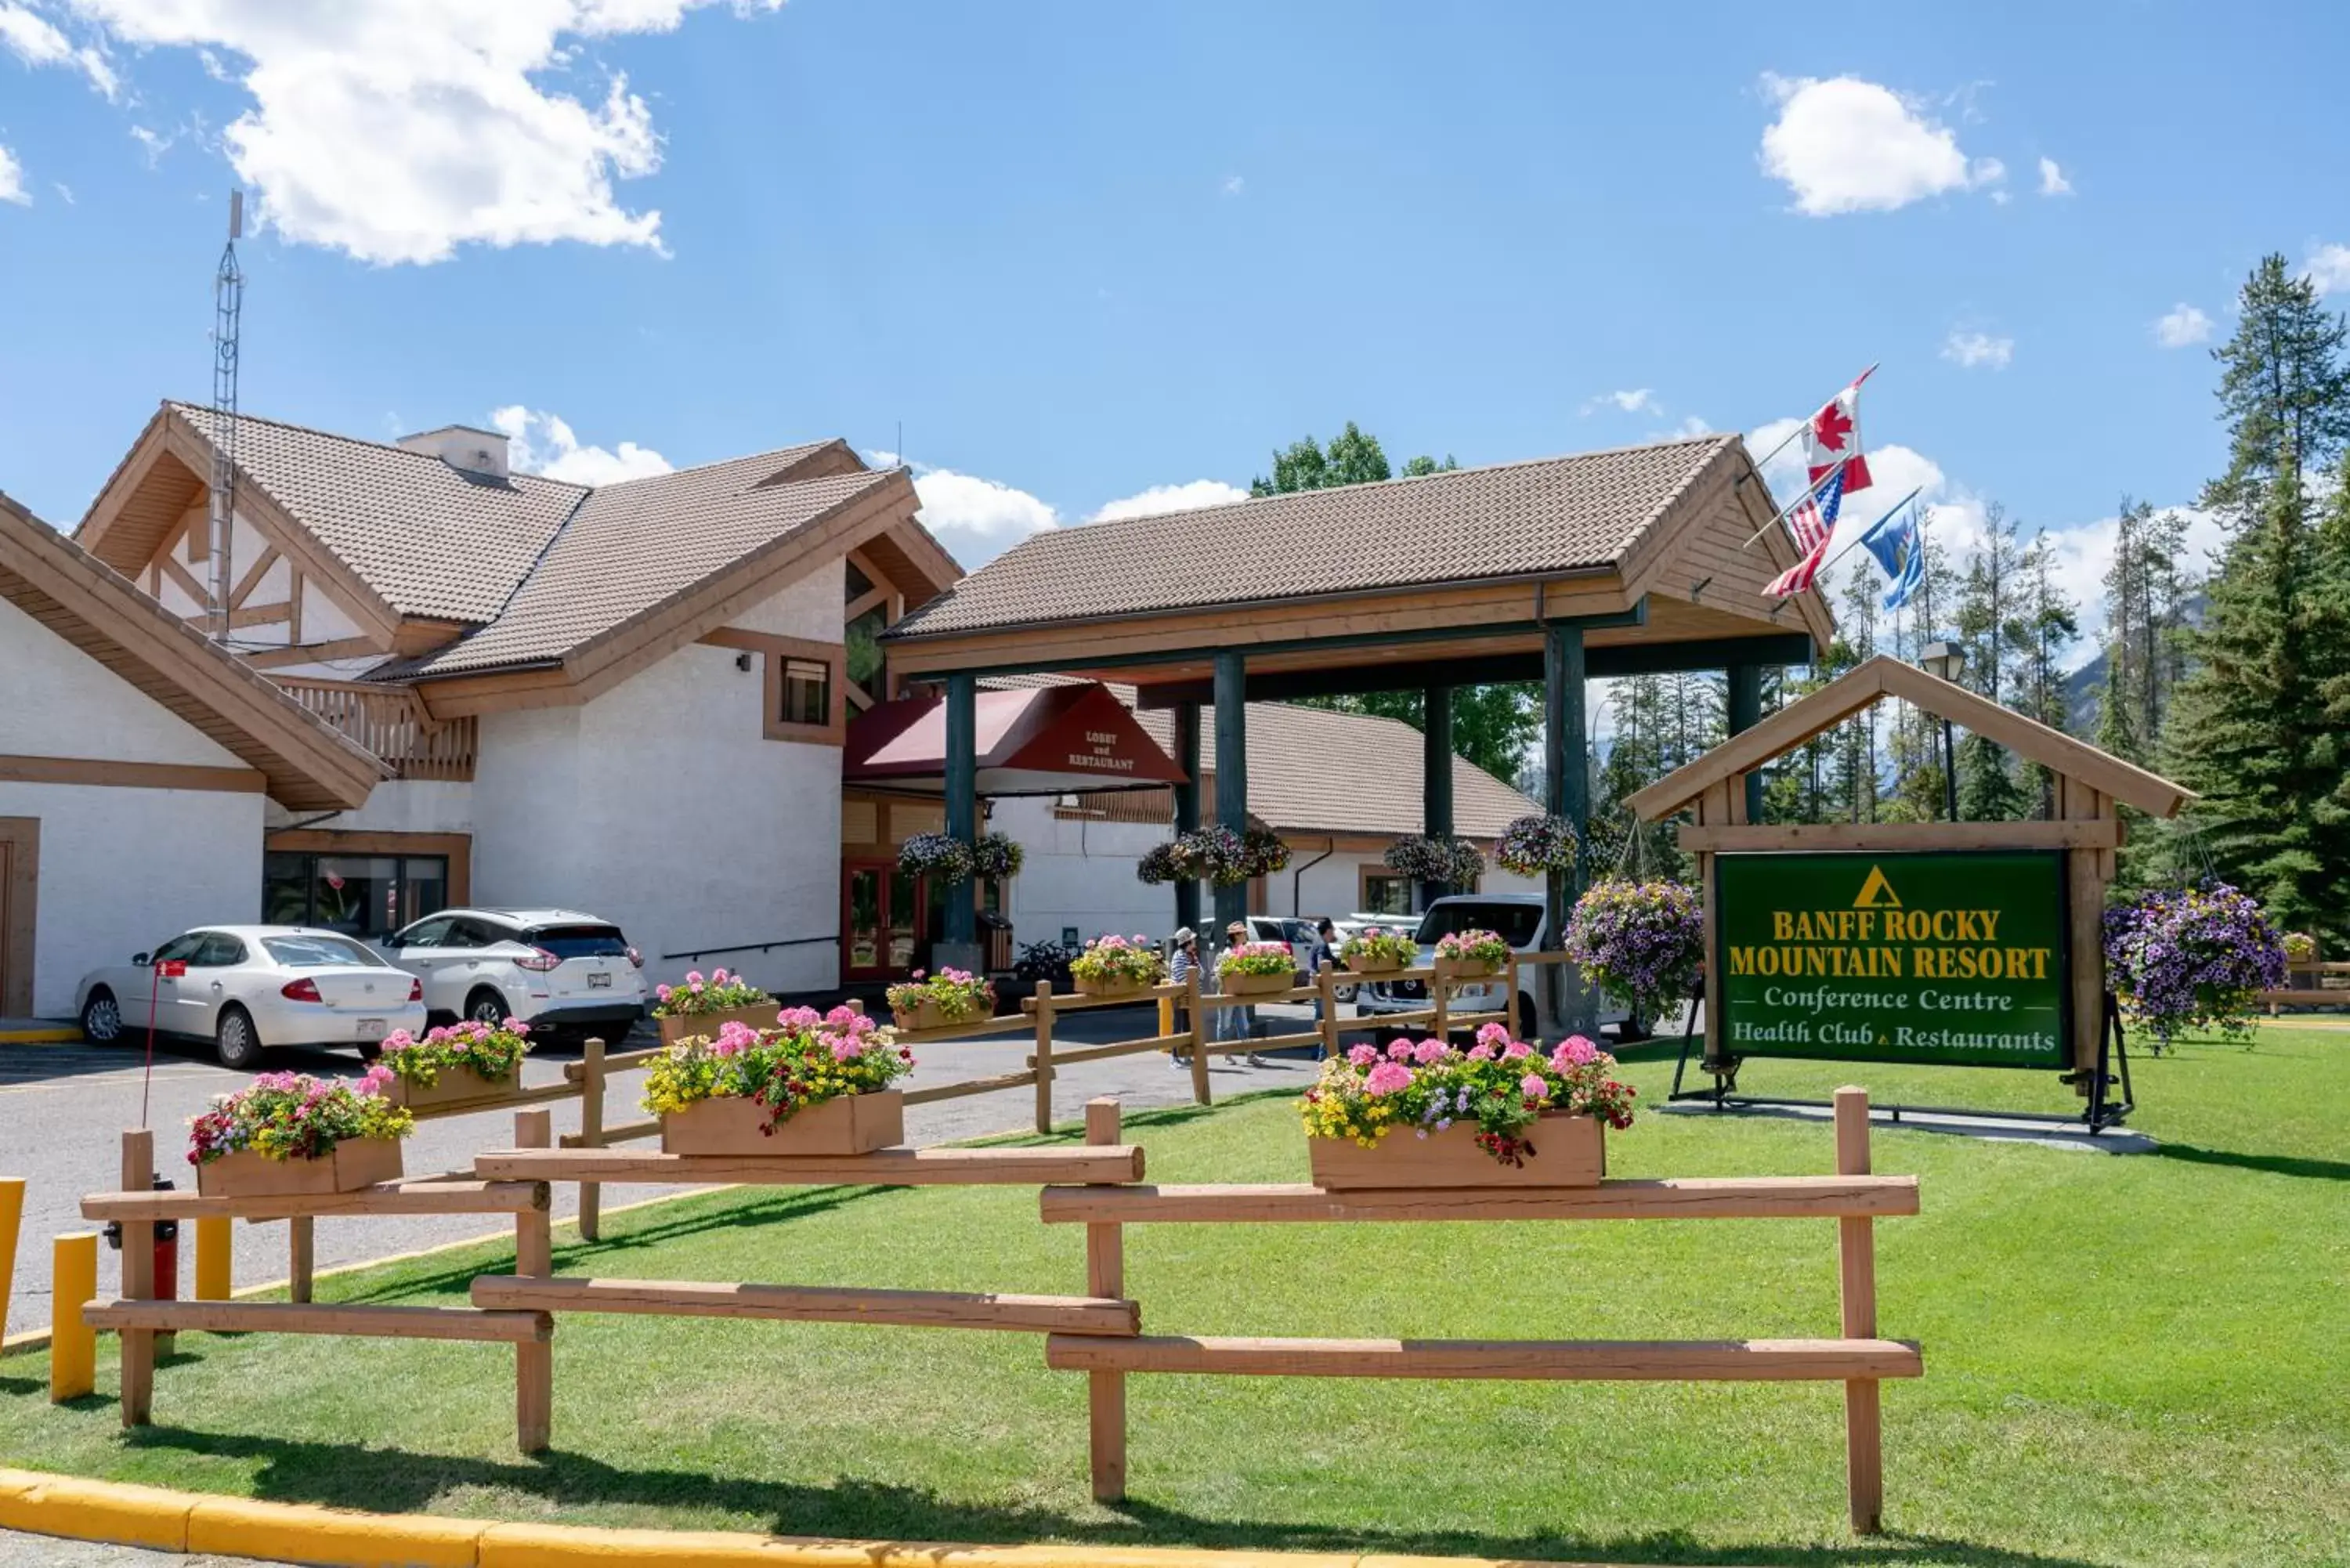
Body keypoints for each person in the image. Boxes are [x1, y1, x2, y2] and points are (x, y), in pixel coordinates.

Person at [1166, 928, 1198, 1070]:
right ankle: (1174, 1057)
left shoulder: (1191, 956)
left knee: (1187, 1025)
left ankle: (1186, 1055)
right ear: (1187, 942)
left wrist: (1193, 962)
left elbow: (1201, 973)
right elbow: (1181, 976)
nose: (1195, 942)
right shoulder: (1179, 956)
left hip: (1188, 996)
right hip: (1178, 996)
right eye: (1192, 940)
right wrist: (1193, 971)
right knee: (1177, 1025)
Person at [1304, 916, 1339, 1044]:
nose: (1334, 932)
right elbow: (1322, 965)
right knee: (1324, 1018)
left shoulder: (1317, 941)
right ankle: (1323, 1052)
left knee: (1319, 1017)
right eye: (1333, 930)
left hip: (1315, 983)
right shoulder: (1322, 945)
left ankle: (1318, 1050)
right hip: (1321, 985)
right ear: (1328, 931)